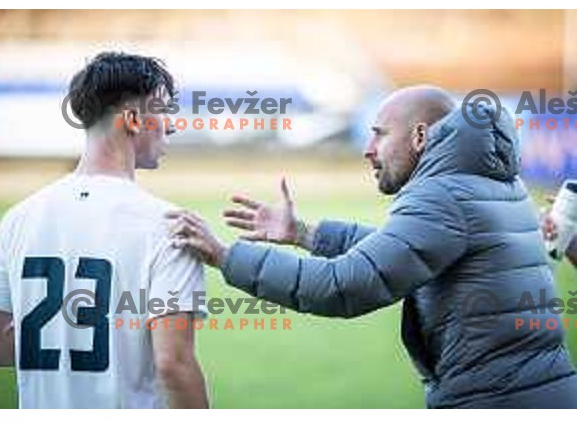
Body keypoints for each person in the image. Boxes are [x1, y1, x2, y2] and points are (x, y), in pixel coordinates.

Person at [168, 85, 577, 408]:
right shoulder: (497, 184)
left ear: (420, 136)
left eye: (379, 134)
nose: (368, 149)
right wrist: (306, 234)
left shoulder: (442, 196)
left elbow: (345, 286)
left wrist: (225, 256)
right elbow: (401, 252)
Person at [0, 52, 208, 409]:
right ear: (132, 120)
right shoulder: (170, 226)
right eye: (162, 111)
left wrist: (62, 350)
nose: (171, 124)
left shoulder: (19, 217)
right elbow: (173, 364)